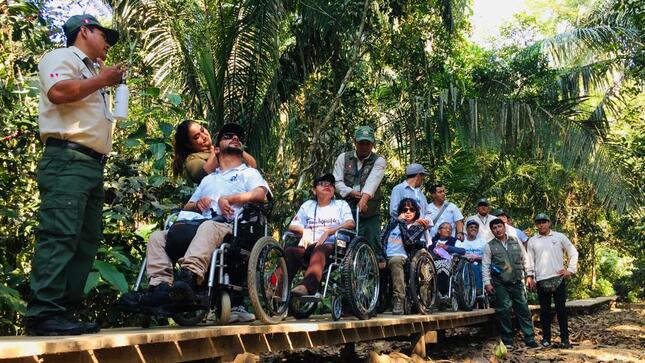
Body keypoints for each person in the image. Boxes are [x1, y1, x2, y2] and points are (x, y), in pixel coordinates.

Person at [24, 14, 124, 336]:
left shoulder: (94, 71)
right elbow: (59, 91)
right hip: (67, 158)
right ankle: (43, 312)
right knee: (61, 233)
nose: (108, 43)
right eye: (104, 35)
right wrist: (102, 81)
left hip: (91, 166)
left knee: (84, 241)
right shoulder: (61, 57)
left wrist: (102, 80)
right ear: (84, 31)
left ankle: (62, 313)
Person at [120, 124, 269, 312]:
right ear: (217, 149)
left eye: (238, 137)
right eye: (228, 136)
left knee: (208, 227)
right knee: (158, 237)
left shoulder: (248, 173)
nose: (235, 138)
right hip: (198, 226)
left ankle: (188, 279)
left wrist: (229, 199)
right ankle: (161, 289)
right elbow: (188, 206)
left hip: (228, 226)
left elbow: (260, 194)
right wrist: (198, 204)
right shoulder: (207, 178)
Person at [286, 174, 355, 296]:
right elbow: (292, 226)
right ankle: (277, 291)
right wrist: (305, 231)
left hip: (336, 244)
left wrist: (329, 231)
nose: (327, 186)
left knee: (320, 249)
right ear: (314, 190)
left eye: (330, 184)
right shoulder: (308, 205)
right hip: (310, 244)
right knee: (291, 252)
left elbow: (350, 223)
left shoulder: (341, 204)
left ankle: (307, 287)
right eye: (322, 183)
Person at [482, 218, 539, 349]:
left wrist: (529, 275)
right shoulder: (489, 245)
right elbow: (485, 266)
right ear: (492, 231)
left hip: (517, 281)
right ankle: (507, 340)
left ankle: (530, 338)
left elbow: (525, 258)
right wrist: (487, 283)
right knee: (504, 310)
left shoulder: (515, 241)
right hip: (500, 283)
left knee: (523, 309)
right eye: (494, 228)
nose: (497, 230)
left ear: (504, 227)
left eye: (499, 227)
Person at [526, 213, 578, 349]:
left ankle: (565, 339)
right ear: (536, 225)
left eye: (544, 222)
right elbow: (529, 259)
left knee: (561, 310)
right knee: (545, 312)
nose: (541, 224)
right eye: (539, 222)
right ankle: (546, 339)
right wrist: (530, 276)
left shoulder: (559, 237)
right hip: (542, 280)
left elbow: (573, 252)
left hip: (558, 279)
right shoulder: (532, 241)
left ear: (549, 223)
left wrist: (570, 269)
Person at [333, 126, 386, 256]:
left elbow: (372, 182)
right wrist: (349, 192)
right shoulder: (343, 158)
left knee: (371, 249)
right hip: (345, 214)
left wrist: (363, 200)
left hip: (369, 214)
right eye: (361, 143)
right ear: (355, 142)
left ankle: (373, 271)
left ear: (373, 144)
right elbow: (336, 181)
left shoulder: (379, 161)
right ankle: (339, 270)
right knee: (341, 246)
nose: (364, 146)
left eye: (368, 143)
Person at [380, 198, 428, 314]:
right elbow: (381, 239)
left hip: (405, 257)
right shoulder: (392, 224)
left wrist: (401, 223)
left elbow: (409, 241)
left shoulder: (418, 226)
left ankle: (399, 300)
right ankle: (375, 302)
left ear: (416, 211)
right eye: (404, 209)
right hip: (386, 256)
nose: (408, 212)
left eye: (411, 209)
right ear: (400, 211)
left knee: (395, 261)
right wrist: (381, 257)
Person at [172, 120, 256, 185]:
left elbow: (252, 166)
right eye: (197, 137)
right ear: (189, 144)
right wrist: (219, 150)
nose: (204, 136)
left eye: (202, 130)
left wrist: (236, 146)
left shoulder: (221, 149)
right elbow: (203, 177)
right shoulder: (192, 159)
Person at [428, 222, 466, 297]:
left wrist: (447, 247)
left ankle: (442, 293)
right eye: (445, 228)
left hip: (449, 263)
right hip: (432, 262)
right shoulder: (432, 240)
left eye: (450, 229)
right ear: (439, 231)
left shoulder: (454, 240)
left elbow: (462, 251)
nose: (448, 230)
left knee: (442, 265)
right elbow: (427, 248)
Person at [459, 220, 486, 294]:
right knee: (469, 267)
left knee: (476, 267)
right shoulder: (461, 242)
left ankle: (478, 289)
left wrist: (477, 258)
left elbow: (488, 257)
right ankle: (474, 290)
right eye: (471, 227)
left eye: (475, 227)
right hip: (464, 264)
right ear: (466, 229)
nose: (473, 229)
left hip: (480, 263)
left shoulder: (483, 241)